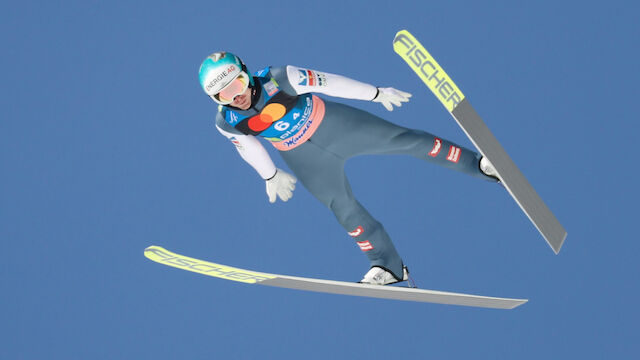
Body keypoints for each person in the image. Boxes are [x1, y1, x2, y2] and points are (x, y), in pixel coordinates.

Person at [198, 51, 498, 285]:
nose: (235, 95)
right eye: (223, 94)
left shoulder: (280, 77)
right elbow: (248, 147)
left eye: (236, 83)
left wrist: (375, 93)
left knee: (406, 141)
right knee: (342, 208)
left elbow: (330, 83)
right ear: (216, 100)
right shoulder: (226, 121)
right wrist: (270, 175)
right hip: (304, 158)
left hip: (336, 126)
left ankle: (480, 166)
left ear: (246, 74)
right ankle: (388, 266)